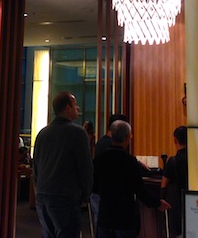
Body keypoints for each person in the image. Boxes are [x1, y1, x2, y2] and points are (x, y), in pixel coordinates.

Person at [93, 120, 170, 237]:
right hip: (124, 218)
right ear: (127, 138)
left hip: (105, 217)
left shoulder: (99, 160)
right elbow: (140, 190)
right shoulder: (130, 162)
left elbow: (94, 187)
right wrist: (157, 203)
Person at [33, 92, 93, 238]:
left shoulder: (42, 133)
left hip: (43, 195)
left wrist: (38, 189)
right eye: (75, 105)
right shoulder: (78, 133)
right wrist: (86, 195)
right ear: (67, 108)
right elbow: (85, 167)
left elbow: (36, 166)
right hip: (65, 196)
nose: (77, 108)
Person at [161, 125, 188, 237]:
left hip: (176, 204)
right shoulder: (195, 159)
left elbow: (164, 184)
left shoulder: (172, 161)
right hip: (194, 202)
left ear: (175, 140)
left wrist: (162, 199)